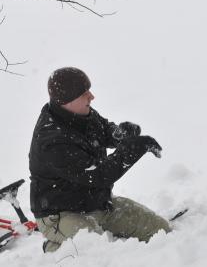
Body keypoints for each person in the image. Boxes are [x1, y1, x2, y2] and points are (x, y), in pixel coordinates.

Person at [29, 67, 171, 252]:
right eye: (84, 93)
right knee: (93, 250)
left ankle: (100, 233)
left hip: (98, 204)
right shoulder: (51, 140)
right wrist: (131, 150)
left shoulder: (81, 113)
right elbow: (97, 175)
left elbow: (104, 130)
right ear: (66, 100)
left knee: (160, 230)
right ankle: (56, 247)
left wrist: (120, 134)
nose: (92, 96)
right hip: (60, 214)